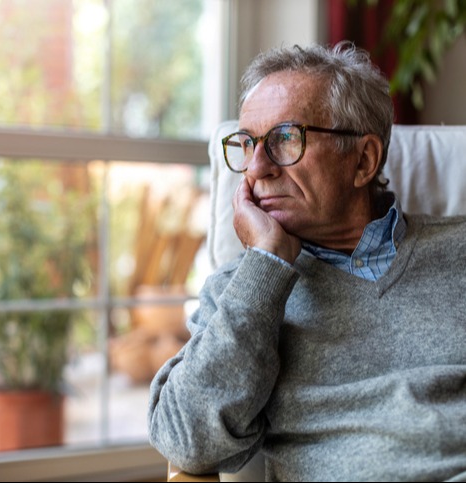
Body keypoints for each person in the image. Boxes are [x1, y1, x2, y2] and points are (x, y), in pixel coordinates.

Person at [148, 42, 466, 482]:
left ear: (363, 160)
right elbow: (187, 441)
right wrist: (264, 265)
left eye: (284, 139)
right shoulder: (241, 293)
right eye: (246, 144)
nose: (256, 168)